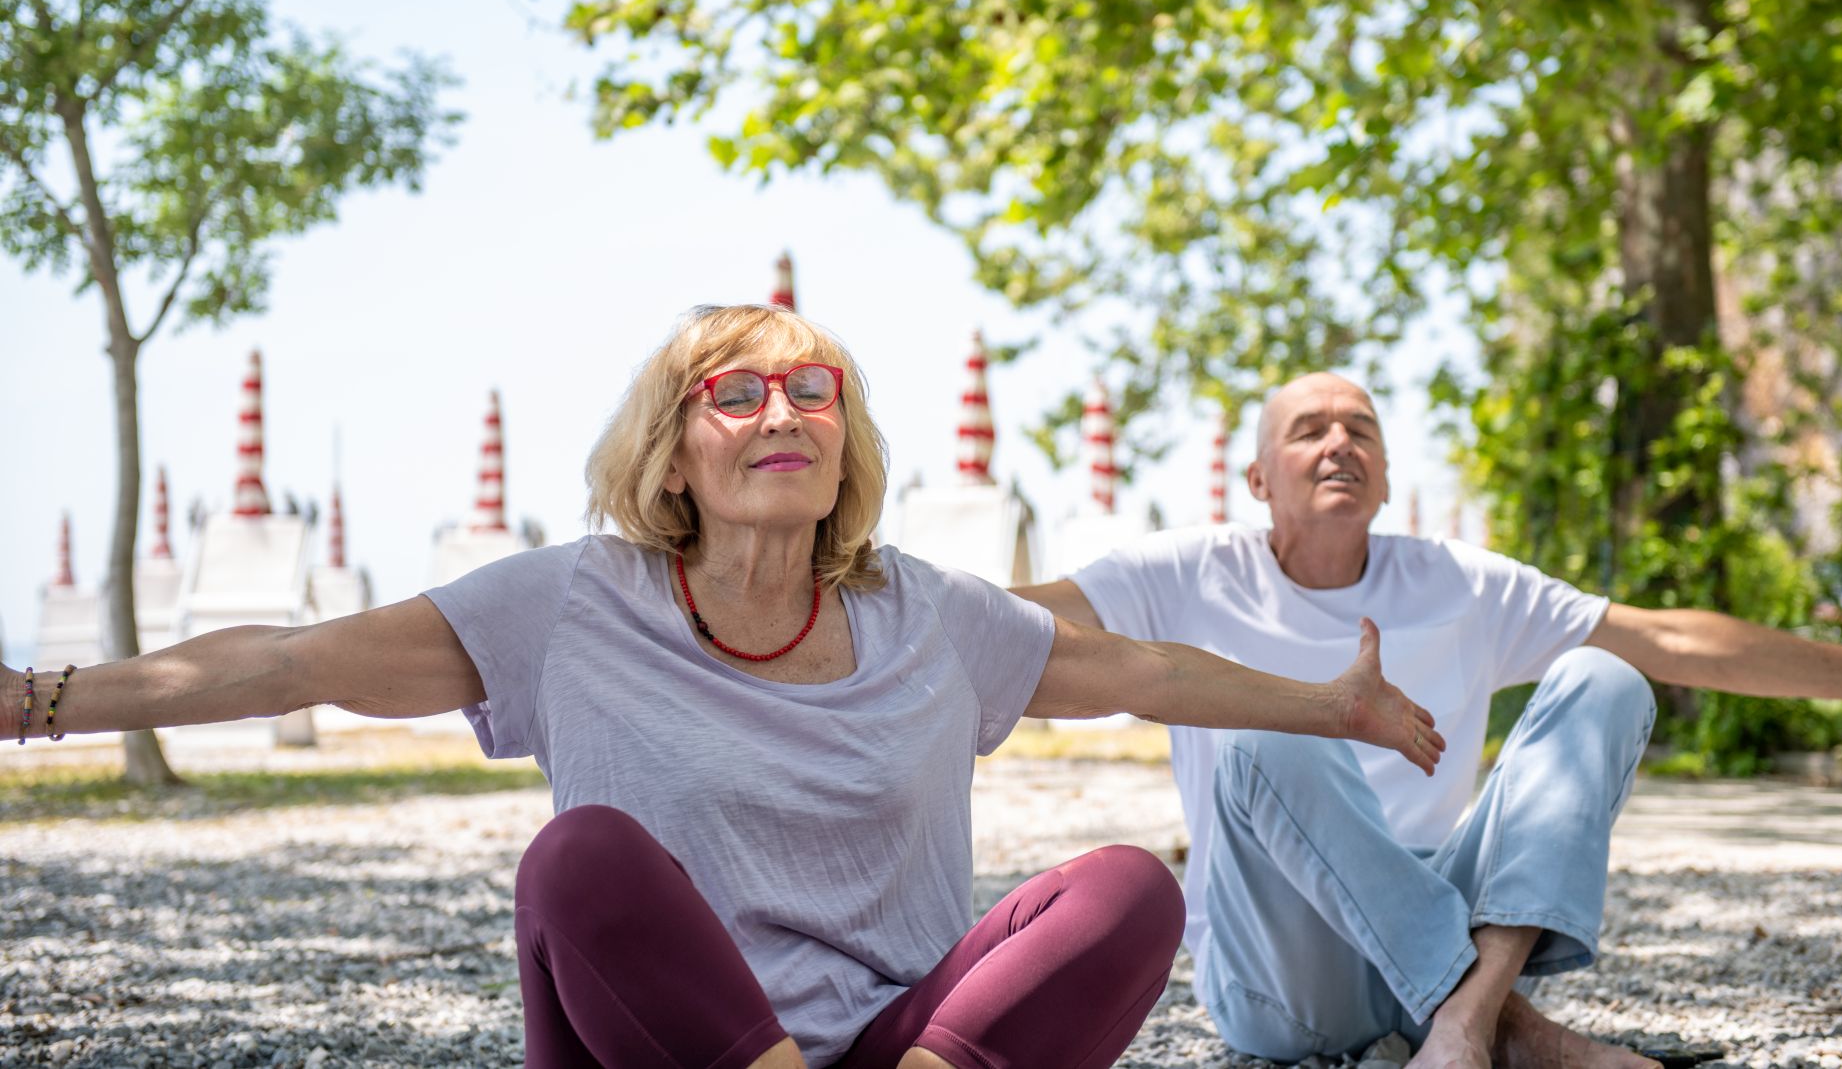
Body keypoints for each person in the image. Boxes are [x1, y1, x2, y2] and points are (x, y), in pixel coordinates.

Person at [6, 308, 1445, 1069]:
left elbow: (1137, 669)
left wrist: (1343, 702)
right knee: (580, 858)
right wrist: (43, 702)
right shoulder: (571, 602)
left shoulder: (925, 614)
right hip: (654, 1051)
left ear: (847, 449)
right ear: (674, 450)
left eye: (814, 392)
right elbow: (285, 656)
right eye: (737, 393)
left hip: (892, 1047)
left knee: (1130, 887)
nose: (783, 413)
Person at [1016, 370, 1842, 1069]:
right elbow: (1006, 623)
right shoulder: (1183, 571)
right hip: (1287, 979)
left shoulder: (1452, 582)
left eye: (1360, 427)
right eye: (1308, 427)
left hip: (1436, 926)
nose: (1338, 442)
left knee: (1606, 678)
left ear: (1387, 477)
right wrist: (863, 587)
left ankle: (1464, 1022)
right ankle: (1520, 1031)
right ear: (1257, 479)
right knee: (1268, 729)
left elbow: (1670, 638)